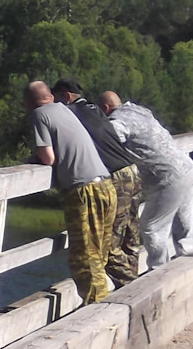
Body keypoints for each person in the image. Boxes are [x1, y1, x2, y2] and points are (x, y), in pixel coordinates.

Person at [25, 80, 115, 304]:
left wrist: (34, 158)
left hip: (84, 191)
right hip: (105, 185)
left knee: (84, 259)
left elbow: (49, 158)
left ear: (28, 103)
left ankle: (97, 313)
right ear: (51, 96)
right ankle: (103, 306)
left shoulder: (40, 115)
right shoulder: (65, 110)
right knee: (99, 255)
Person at [51, 78, 142, 287]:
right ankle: (133, 285)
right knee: (130, 237)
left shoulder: (70, 112)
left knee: (109, 244)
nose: (55, 105)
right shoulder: (95, 110)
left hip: (116, 176)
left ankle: (134, 290)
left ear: (66, 95)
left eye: (57, 99)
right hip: (131, 170)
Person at [100, 90, 193, 267]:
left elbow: (108, 143)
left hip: (167, 178)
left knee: (152, 228)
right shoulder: (138, 110)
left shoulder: (118, 122)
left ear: (105, 108)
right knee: (184, 224)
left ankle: (159, 270)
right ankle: (191, 265)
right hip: (187, 167)